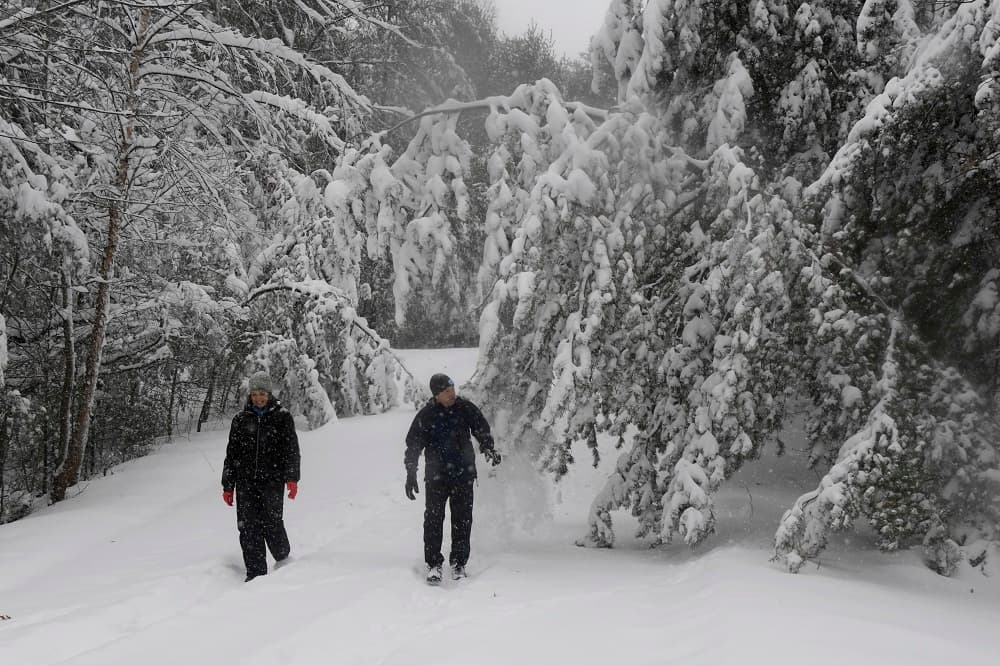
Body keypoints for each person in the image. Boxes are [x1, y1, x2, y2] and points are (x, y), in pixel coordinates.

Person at [405, 373, 501, 583]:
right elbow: (413, 446)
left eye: (452, 389)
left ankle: (459, 563)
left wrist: (488, 448)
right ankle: (434, 564)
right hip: (436, 477)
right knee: (433, 520)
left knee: (462, 520)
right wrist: (411, 472)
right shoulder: (427, 415)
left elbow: (481, 429)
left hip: (463, 475)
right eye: (446, 391)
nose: (452, 394)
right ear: (436, 394)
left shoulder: (465, 408)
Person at [221, 371, 300, 582]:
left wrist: (292, 478)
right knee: (248, 527)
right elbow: (232, 453)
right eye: (255, 394)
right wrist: (228, 485)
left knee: (272, 522)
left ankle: (283, 560)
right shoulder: (240, 419)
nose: (259, 398)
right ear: (250, 395)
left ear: (269, 394)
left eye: (262, 394)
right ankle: (255, 574)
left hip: (273, 481)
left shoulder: (282, 417)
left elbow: (291, 450)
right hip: (245, 482)